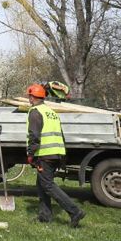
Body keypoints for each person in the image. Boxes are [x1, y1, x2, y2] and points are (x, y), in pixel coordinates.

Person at [27, 82, 83, 228]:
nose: (29, 99)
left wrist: (30, 154)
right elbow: (61, 134)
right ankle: (45, 217)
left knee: (48, 185)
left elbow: (34, 135)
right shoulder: (51, 112)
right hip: (57, 153)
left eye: (29, 96)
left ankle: (74, 211)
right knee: (41, 185)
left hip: (45, 154)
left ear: (33, 98)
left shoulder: (35, 111)